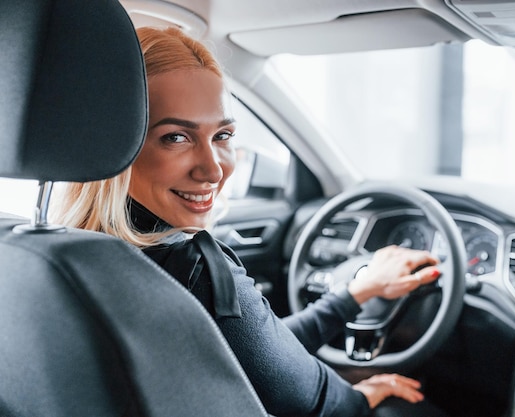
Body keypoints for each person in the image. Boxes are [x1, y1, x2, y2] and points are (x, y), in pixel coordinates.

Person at [53, 26, 448, 417]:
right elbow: (306, 399)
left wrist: (356, 294)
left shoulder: (51, 255)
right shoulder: (193, 268)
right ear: (115, 143)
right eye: (176, 137)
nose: (213, 170)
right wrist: (362, 397)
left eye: (222, 135)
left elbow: (256, 354)